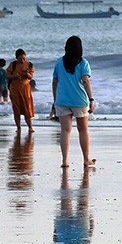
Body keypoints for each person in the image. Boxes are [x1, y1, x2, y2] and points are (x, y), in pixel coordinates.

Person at [52, 36, 96, 168]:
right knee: (83, 130)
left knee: (65, 130)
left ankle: (65, 161)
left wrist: (55, 100)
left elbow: (54, 82)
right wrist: (91, 99)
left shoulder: (60, 62)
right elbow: (85, 81)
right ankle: (86, 159)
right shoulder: (83, 63)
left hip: (62, 100)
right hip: (80, 100)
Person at [6, 49, 35, 132]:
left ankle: (30, 127)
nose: (22, 61)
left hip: (25, 88)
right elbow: (7, 76)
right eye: (20, 59)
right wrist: (14, 76)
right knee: (16, 109)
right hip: (14, 89)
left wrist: (27, 74)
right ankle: (18, 127)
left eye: (24, 58)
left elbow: (31, 76)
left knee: (27, 108)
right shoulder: (13, 64)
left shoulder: (29, 64)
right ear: (16, 58)